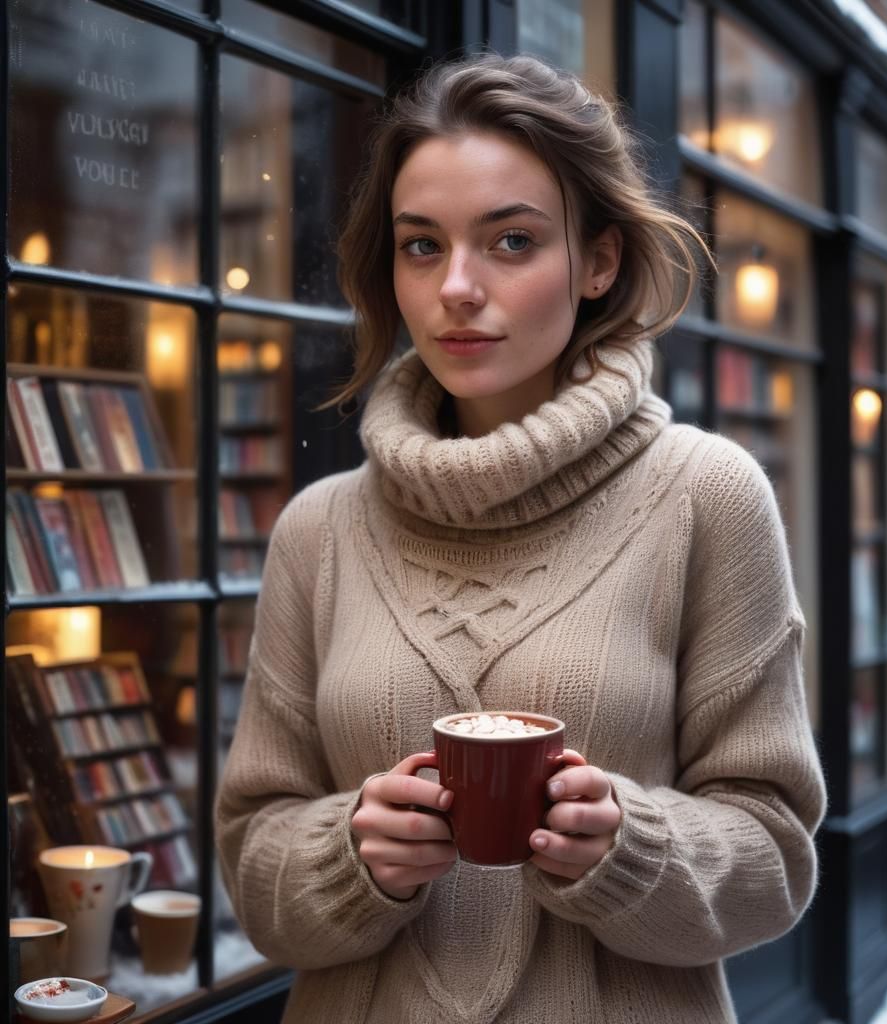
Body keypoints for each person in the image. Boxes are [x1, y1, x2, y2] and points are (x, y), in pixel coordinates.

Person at [215, 51, 826, 1024]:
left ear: (599, 260)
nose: (457, 286)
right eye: (422, 245)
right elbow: (252, 863)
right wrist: (349, 854)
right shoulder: (318, 530)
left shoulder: (706, 497)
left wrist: (630, 847)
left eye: (511, 241)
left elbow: (776, 857)